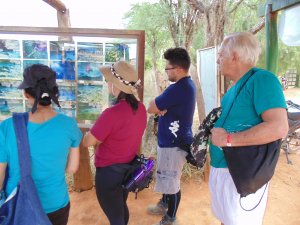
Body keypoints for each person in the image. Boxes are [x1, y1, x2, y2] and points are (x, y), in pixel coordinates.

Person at [210, 32, 289, 225]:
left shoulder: (263, 79)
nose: (218, 60)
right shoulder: (232, 90)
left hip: (242, 174)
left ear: (234, 56)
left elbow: (279, 127)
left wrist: (228, 139)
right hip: (223, 170)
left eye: (221, 55)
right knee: (226, 220)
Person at [0, 64, 82, 225]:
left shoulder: (7, 127)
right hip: (56, 203)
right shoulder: (69, 125)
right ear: (54, 93)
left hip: (19, 205)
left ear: (25, 93)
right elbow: (72, 168)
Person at [82, 61, 147, 225]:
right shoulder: (141, 109)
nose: (108, 83)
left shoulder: (111, 113)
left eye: (109, 80)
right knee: (120, 206)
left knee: (115, 215)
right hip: (128, 170)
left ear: (115, 85)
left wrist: (93, 129)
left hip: (109, 174)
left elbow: (87, 142)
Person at [147, 47, 196, 225]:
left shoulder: (180, 88)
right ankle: (164, 204)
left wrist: (159, 106)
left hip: (173, 145)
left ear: (178, 69)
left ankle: (170, 217)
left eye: (167, 68)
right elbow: (157, 106)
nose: (166, 72)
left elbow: (151, 107)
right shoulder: (183, 86)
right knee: (166, 177)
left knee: (171, 182)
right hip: (171, 142)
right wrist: (161, 106)